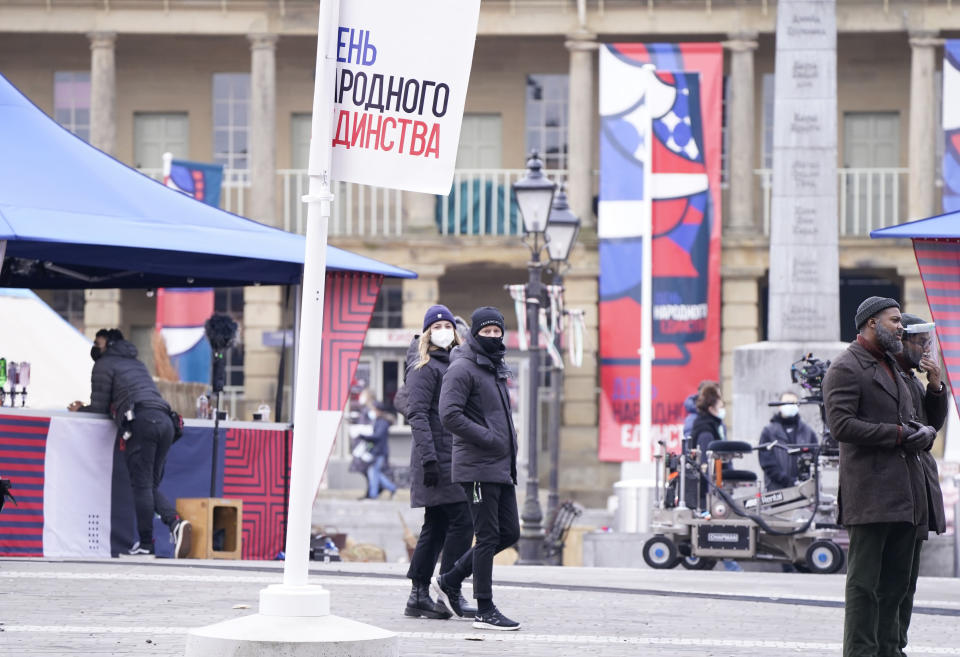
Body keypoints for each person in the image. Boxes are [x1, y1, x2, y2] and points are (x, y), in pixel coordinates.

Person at [822, 297, 933, 657]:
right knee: (864, 584)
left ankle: (889, 649)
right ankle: (860, 651)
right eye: (895, 320)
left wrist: (922, 432)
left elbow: (910, 416)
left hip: (904, 492)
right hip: (870, 492)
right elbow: (841, 425)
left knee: (896, 583)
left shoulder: (892, 367)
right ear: (872, 323)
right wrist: (899, 435)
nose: (901, 327)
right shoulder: (846, 367)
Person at [432, 306, 521, 631]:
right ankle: (485, 608)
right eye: (487, 331)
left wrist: (505, 443)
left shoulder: (493, 366)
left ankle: (450, 578)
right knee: (486, 537)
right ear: (475, 333)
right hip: (477, 464)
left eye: (498, 331)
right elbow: (449, 414)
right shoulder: (463, 367)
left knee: (510, 532)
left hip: (499, 464)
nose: (493, 336)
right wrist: (490, 438)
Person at [69, 328, 191, 558]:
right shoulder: (137, 364)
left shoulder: (104, 364)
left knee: (142, 486)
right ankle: (175, 523)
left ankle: (146, 544)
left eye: (98, 342)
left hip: (141, 421)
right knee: (148, 486)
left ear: (109, 344)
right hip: (166, 421)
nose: (95, 346)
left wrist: (79, 409)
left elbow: (99, 406)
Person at [402, 304, 475, 621]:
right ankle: (449, 586)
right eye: (437, 326)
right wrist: (430, 460)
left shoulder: (455, 363)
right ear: (428, 332)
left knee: (438, 524)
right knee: (463, 521)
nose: (444, 331)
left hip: (453, 456)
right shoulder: (424, 366)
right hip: (435, 459)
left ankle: (419, 595)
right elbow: (417, 414)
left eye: (448, 325)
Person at [893, 313, 948, 653]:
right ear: (903, 341)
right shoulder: (896, 376)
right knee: (896, 582)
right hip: (901, 490)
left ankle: (898, 643)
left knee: (908, 582)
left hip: (919, 486)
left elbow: (933, 424)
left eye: (927, 342)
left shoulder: (914, 379)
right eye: (920, 341)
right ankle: (892, 645)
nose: (925, 347)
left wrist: (936, 385)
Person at [688, 383, 742, 572]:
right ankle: (729, 561)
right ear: (711, 406)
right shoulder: (705, 429)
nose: (723, 408)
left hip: (714, 483)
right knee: (718, 521)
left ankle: (722, 560)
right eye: (720, 404)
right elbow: (706, 461)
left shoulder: (713, 425)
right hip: (708, 487)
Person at [757, 391, 820, 491]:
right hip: (776, 491)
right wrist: (786, 480)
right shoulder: (768, 432)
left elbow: (815, 458)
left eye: (793, 403)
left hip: (803, 490)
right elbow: (767, 462)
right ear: (779, 406)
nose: (790, 405)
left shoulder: (808, 432)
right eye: (786, 402)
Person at [363, 401, 397, 500]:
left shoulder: (382, 422)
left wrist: (364, 436)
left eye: (374, 410)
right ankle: (391, 488)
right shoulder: (379, 421)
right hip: (377, 451)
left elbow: (377, 437)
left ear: (379, 411)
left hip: (379, 452)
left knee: (373, 472)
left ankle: (374, 494)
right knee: (374, 472)